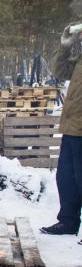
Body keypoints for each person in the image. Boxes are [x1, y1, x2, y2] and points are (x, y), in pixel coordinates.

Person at [40, 23, 82, 246]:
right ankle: (68, 221)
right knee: (67, 178)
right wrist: (65, 47)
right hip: (72, 127)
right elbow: (60, 71)